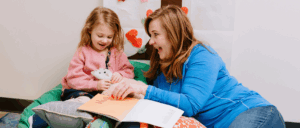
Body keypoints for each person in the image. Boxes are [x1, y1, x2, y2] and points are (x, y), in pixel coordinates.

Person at [104, 5, 286, 128]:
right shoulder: (161, 68)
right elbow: (165, 104)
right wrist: (128, 93)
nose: (150, 42)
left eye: (155, 34)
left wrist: (144, 89)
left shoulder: (202, 55)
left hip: (253, 112)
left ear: (173, 34)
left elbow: (191, 104)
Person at [60, 6, 134, 103]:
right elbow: (73, 79)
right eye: (100, 36)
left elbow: (129, 71)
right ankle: (71, 107)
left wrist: (120, 74)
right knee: (84, 100)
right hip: (81, 91)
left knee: (122, 97)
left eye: (109, 37)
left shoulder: (117, 52)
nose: (104, 40)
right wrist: (95, 85)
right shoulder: (82, 51)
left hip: (105, 94)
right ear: (90, 30)